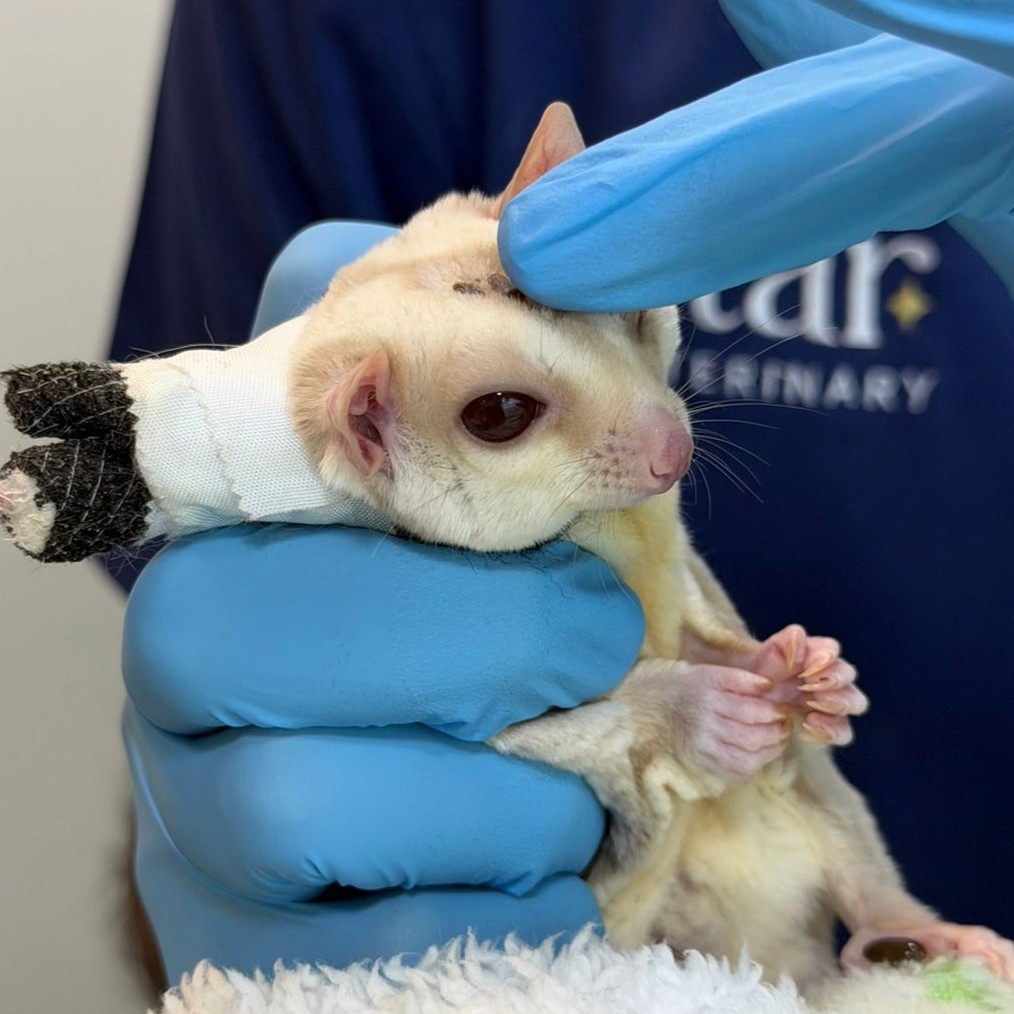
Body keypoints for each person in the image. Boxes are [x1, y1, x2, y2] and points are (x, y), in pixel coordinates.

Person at [114, 0, 1014, 987]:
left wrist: (745, 676)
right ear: (367, 426)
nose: (670, 445)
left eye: (625, 325)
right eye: (502, 411)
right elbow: (277, 732)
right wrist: (287, 920)